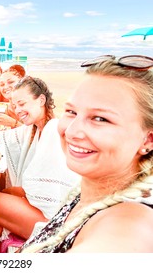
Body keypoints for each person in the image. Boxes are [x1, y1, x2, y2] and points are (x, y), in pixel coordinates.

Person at [21, 55, 153, 253]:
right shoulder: (91, 193)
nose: (72, 132)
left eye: (100, 118)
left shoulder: (130, 226)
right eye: (71, 112)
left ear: (148, 139)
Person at [0, 76, 80, 253]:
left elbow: (45, 192)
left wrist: (8, 192)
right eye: (14, 105)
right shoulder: (31, 129)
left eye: (22, 104)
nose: (17, 110)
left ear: (41, 100)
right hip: (36, 207)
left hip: (52, 219)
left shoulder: (53, 130)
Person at [0, 64, 26, 128]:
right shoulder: (9, 108)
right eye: (2, 84)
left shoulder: (32, 104)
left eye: (11, 82)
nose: (5, 87)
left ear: (21, 82)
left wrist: (13, 123)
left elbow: (40, 135)